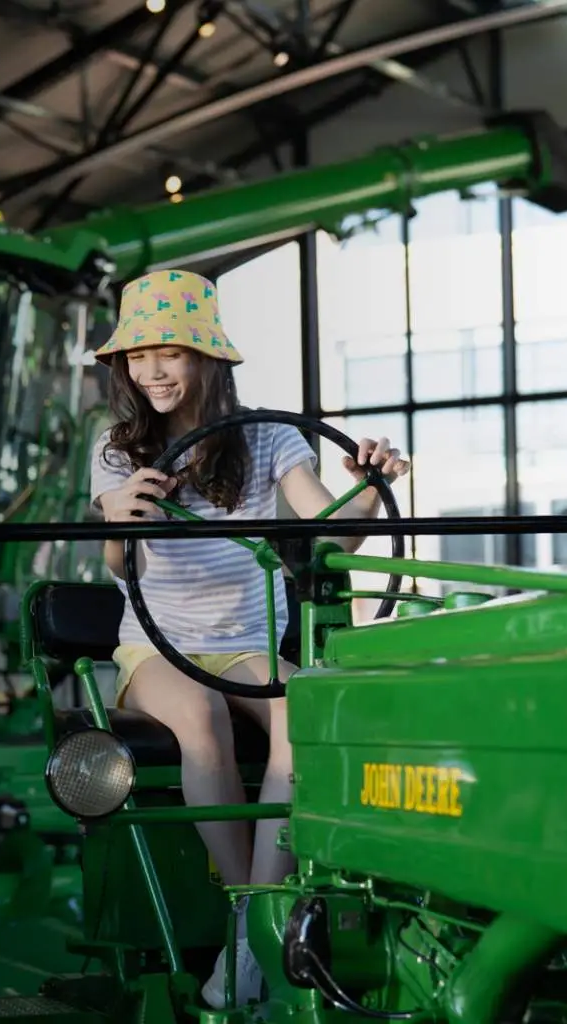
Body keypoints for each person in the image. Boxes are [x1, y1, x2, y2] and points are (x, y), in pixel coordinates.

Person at [86, 269, 409, 1009]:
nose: (153, 370)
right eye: (138, 356)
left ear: (208, 357)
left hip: (246, 640)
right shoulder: (117, 450)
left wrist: (367, 483)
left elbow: (330, 531)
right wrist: (120, 522)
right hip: (155, 644)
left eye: (170, 351)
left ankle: (267, 906)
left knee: (304, 709)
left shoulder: (267, 437)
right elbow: (116, 566)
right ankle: (246, 918)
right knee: (200, 723)